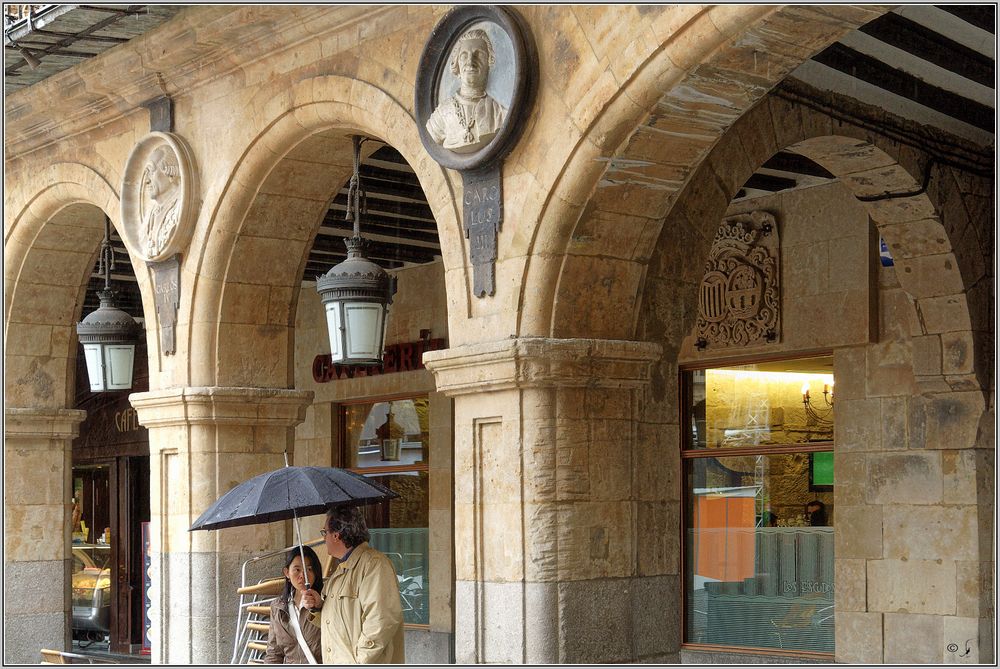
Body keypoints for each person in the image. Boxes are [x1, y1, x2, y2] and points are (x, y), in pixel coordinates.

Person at [301, 507, 405, 664]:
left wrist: (360, 660)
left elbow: (382, 619)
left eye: (325, 532)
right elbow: (342, 622)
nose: (324, 538)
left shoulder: (374, 565)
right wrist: (319, 606)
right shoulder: (340, 571)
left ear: (336, 535)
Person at [426, 28, 507, 153]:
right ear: (456, 64)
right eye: (464, 56)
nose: (470, 62)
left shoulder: (499, 114)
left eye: (479, 55)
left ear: (489, 62)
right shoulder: (439, 117)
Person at [263, 545, 324, 664]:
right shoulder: (278, 607)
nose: (303, 575)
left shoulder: (326, 601)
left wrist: (320, 607)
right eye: (297, 569)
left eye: (309, 569)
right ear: (287, 573)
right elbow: (274, 653)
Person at [140, 145, 181, 257]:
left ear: (169, 171)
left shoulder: (180, 207)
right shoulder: (150, 215)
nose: (147, 180)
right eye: (146, 173)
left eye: (151, 171)